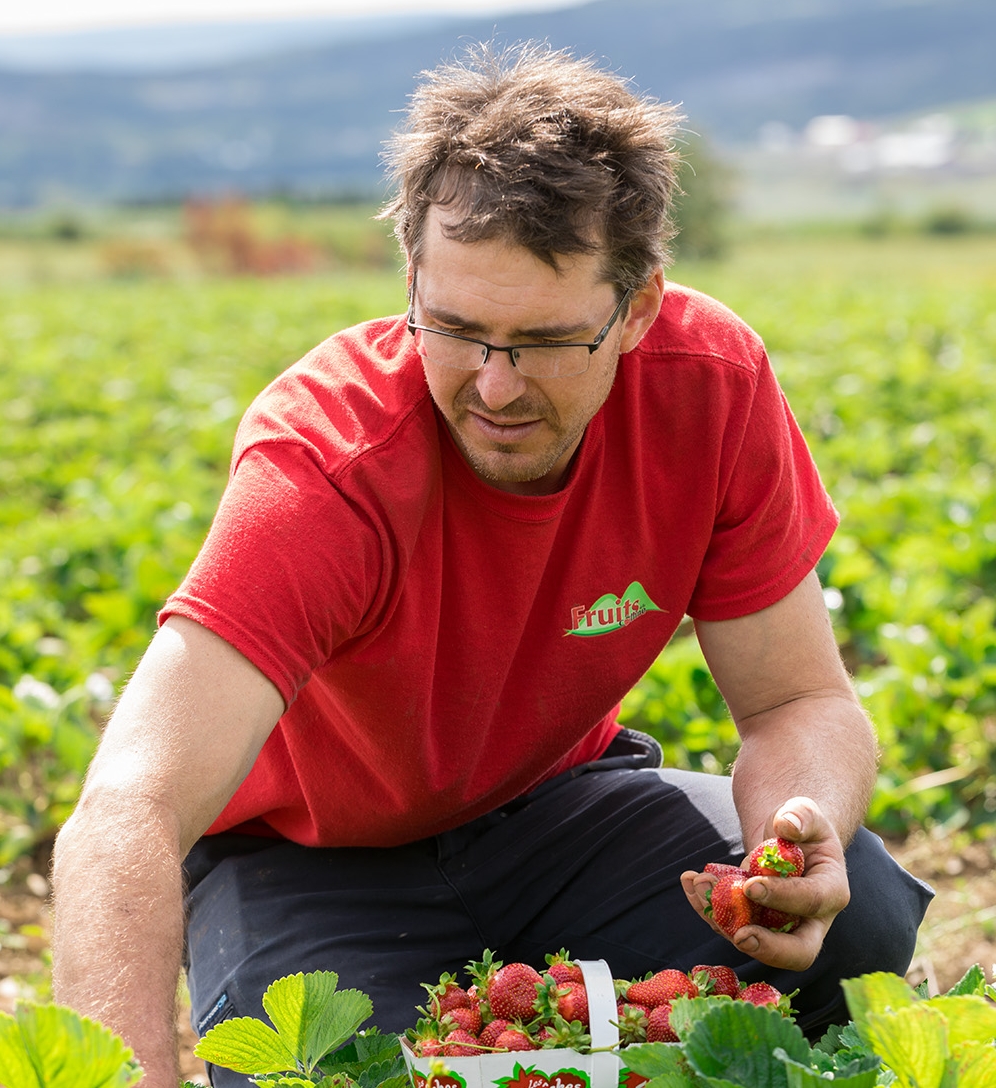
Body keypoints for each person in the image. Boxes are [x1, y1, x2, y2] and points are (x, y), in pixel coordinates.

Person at [52, 41, 932, 1088]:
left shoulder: (708, 386)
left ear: (638, 308)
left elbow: (798, 700)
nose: (496, 386)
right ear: (411, 277)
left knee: (859, 911)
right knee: (321, 1069)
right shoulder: (330, 465)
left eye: (546, 340)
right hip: (308, 858)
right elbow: (128, 808)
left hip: (558, 808)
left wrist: (803, 827)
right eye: (458, 328)